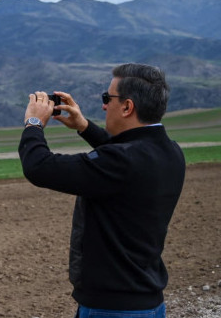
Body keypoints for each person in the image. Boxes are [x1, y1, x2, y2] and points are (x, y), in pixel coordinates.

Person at [18, 63, 186, 318]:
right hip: (147, 302)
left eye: (107, 98)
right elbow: (126, 156)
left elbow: (38, 167)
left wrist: (33, 123)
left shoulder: (121, 163)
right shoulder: (171, 152)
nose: (104, 106)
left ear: (128, 107)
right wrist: (84, 126)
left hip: (112, 309)